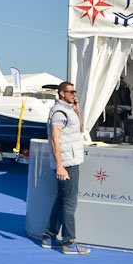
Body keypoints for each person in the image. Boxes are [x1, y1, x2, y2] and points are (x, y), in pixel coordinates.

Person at [42, 82, 89, 254]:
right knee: (69, 202)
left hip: (70, 160)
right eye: (71, 92)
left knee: (62, 199)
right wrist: (60, 166)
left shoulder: (69, 111)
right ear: (62, 93)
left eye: (75, 91)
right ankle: (69, 243)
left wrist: (77, 111)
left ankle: (49, 236)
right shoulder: (59, 113)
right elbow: (55, 139)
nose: (74, 94)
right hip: (67, 163)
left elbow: (81, 130)